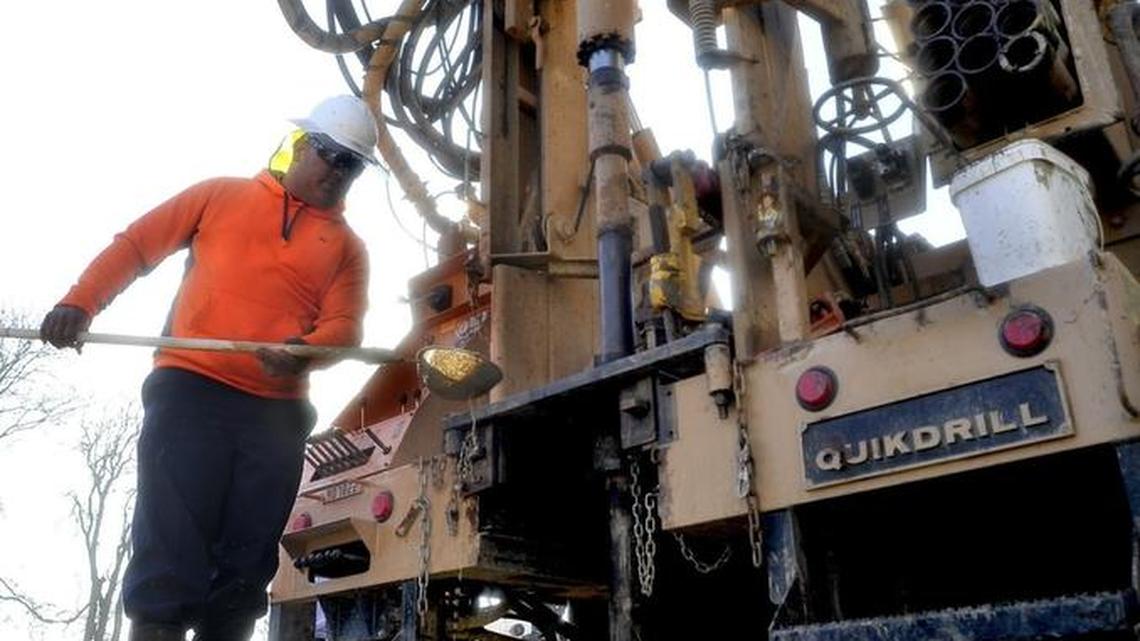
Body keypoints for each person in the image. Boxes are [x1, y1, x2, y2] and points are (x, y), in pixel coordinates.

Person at [39, 95, 377, 641]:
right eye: (331, 154)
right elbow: (136, 246)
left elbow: (346, 328)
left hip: (276, 414)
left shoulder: (346, 248)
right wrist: (80, 303)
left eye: (352, 165)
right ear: (301, 145)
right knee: (169, 552)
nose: (338, 171)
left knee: (244, 570)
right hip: (189, 391)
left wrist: (304, 348)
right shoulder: (220, 196)